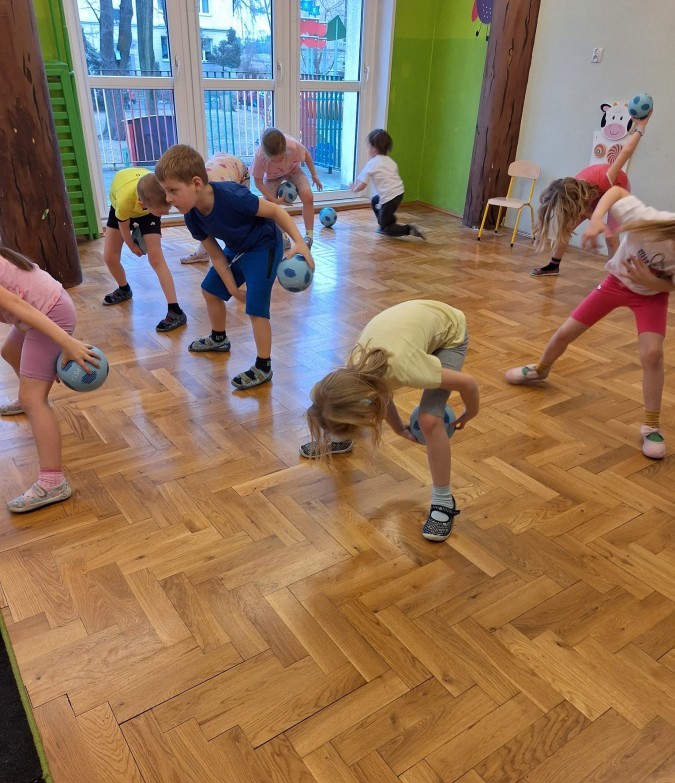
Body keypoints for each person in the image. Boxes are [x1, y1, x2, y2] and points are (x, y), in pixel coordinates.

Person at [506, 186, 675, 460]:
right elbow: (617, 191)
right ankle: (540, 369)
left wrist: (650, 282)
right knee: (565, 332)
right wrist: (596, 219)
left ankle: (652, 426)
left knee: (653, 354)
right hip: (615, 283)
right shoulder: (648, 220)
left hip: (652, 297)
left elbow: (670, 286)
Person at [301, 299, 479, 541]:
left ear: (367, 403)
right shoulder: (355, 371)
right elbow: (379, 393)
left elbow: (468, 383)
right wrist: (397, 428)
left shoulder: (404, 368)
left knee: (429, 419)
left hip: (450, 332)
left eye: (356, 426)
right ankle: (341, 438)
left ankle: (443, 500)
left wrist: (471, 411)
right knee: (332, 405)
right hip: (410, 325)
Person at [155, 143, 314, 389]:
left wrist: (300, 242)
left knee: (256, 309)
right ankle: (219, 339)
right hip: (237, 248)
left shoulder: (232, 196)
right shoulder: (191, 216)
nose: (168, 199)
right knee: (210, 290)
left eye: (173, 190)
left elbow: (275, 211)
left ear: (196, 183)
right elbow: (216, 256)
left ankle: (263, 367)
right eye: (165, 191)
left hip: (264, 246)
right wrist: (232, 289)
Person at [0, 245, 102, 512]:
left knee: (33, 399)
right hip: (44, 307)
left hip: (50, 314)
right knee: (9, 351)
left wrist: (66, 342)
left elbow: (18, 305)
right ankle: (30, 393)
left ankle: (53, 482)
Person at [531, 112, 652, 276]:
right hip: (591, 195)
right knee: (567, 227)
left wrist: (640, 128)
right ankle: (553, 265)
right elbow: (587, 211)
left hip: (618, 188)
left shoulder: (606, 177)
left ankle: (615, 276)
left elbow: (625, 152)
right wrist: (595, 220)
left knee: (611, 236)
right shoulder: (572, 189)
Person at [102, 167, 188, 333]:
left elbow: (159, 207)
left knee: (156, 259)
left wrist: (155, 227)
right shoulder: (125, 202)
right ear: (143, 205)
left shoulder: (157, 195)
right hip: (123, 206)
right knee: (109, 257)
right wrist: (132, 246)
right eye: (163, 211)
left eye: (168, 207)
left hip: (149, 207)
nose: (167, 213)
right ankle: (124, 289)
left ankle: (175, 310)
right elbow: (124, 227)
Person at [250, 128, 322, 249]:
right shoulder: (260, 155)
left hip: (293, 170)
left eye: (282, 157)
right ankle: (283, 238)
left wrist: (314, 175)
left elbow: (307, 156)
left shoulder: (292, 146)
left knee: (308, 197)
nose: (278, 161)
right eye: (274, 160)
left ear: (285, 150)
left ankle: (309, 236)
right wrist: (274, 200)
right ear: (266, 155)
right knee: (269, 206)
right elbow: (258, 183)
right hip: (272, 177)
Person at [351, 128, 426, 240]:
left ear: (374, 148)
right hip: (399, 193)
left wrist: (354, 189)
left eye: (369, 147)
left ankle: (408, 229)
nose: (368, 150)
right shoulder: (391, 161)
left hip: (389, 197)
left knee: (387, 228)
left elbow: (362, 185)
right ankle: (385, 221)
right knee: (375, 201)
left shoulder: (372, 163)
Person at [180, 153, 251, 264]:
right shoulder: (197, 192)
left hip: (239, 170)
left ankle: (243, 249)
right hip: (221, 165)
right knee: (206, 218)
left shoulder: (224, 193)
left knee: (239, 215)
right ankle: (203, 253)